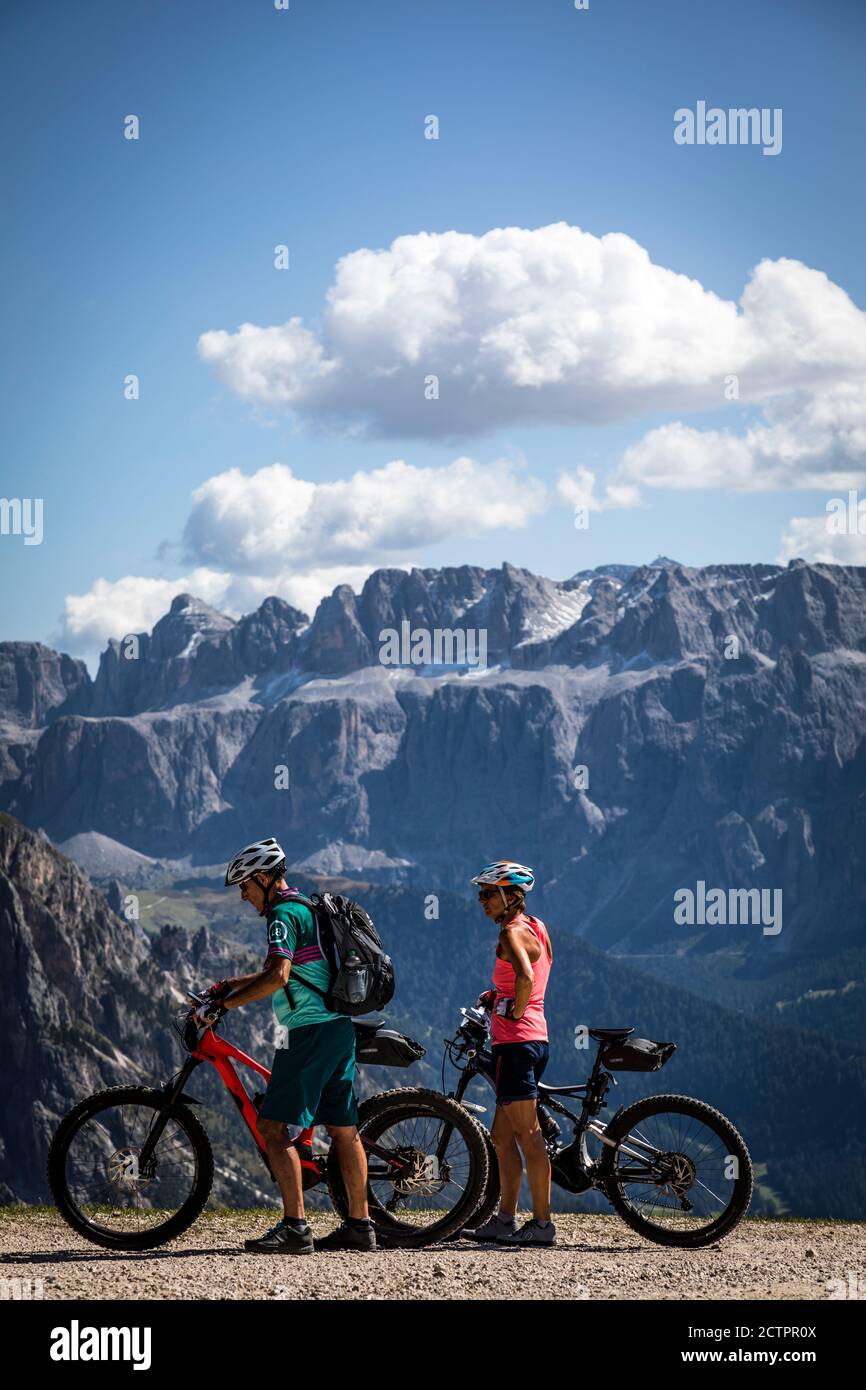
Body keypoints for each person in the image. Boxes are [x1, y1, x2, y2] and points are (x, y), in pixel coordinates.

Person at [200, 837, 375, 1254]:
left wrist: (221, 1006)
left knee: (272, 1128)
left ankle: (295, 1227)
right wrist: (227, 986)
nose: (243, 896)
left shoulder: (281, 915)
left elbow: (278, 976)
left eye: (245, 886)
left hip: (309, 1033)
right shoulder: (309, 910)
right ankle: (360, 1225)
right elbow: (284, 973)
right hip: (338, 1028)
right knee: (344, 1131)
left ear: (264, 878)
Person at [464, 860, 556, 1247]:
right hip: (533, 1040)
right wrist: (498, 997)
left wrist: (514, 1009)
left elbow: (526, 977)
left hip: (517, 1043)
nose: (481, 900)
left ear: (510, 896)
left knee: (529, 1136)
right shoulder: (537, 926)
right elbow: (528, 976)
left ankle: (542, 1224)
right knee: (502, 1137)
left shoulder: (511, 933)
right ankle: (504, 1220)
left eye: (487, 893)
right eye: (480, 894)